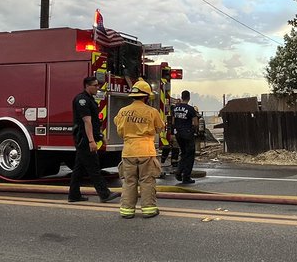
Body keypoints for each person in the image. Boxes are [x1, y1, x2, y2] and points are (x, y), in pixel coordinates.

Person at [113, 79, 166, 219]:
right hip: (146, 151)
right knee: (147, 181)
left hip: (128, 151)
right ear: (146, 96)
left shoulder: (123, 111)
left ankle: (127, 210)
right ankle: (148, 209)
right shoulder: (152, 111)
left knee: (129, 181)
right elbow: (160, 128)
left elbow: (118, 127)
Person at [68, 75, 113, 204]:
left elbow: (94, 121)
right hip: (84, 138)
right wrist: (91, 141)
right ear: (87, 86)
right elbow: (87, 121)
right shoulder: (82, 100)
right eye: (95, 85)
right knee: (93, 166)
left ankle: (74, 195)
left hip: (86, 137)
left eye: (98, 85)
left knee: (79, 168)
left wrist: (100, 136)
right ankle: (104, 194)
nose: (97, 87)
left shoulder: (90, 99)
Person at [170, 89, 201, 185]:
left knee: (183, 153)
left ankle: (179, 172)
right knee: (190, 155)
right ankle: (185, 176)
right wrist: (195, 131)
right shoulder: (191, 109)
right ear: (189, 98)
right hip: (187, 134)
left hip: (178, 133)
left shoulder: (175, 108)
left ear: (182, 97)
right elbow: (196, 123)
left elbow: (173, 121)